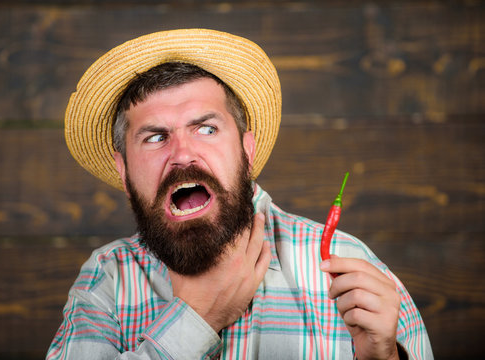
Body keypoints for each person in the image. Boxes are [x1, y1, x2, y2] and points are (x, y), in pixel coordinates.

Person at [48, 29, 433, 359]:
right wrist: (195, 318)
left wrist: (381, 358)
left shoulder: (348, 267)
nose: (182, 154)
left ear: (247, 150)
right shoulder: (107, 280)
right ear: (124, 170)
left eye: (206, 129)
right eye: (155, 137)